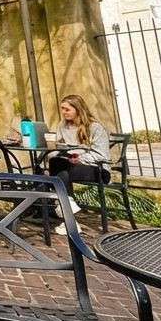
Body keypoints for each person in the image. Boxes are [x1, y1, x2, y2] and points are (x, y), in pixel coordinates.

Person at [48, 94, 109, 231]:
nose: (63, 112)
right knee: (57, 166)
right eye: (62, 109)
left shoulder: (95, 127)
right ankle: (70, 216)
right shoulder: (62, 125)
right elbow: (59, 147)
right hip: (69, 166)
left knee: (60, 172)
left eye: (67, 109)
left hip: (97, 168)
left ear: (78, 109)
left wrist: (79, 158)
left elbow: (101, 155)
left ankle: (66, 213)